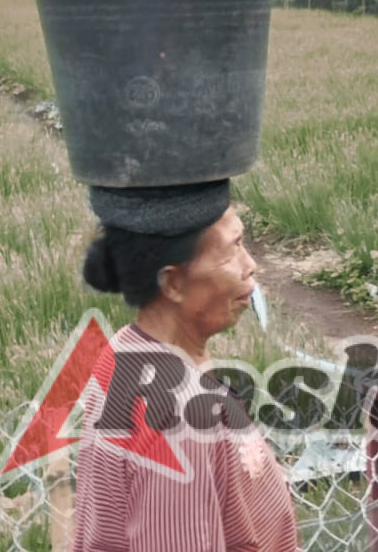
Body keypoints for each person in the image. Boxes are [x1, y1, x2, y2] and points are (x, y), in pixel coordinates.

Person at [70, 180, 300, 552]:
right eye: (232, 251)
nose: (250, 266)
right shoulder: (175, 423)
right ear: (174, 283)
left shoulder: (130, 351)